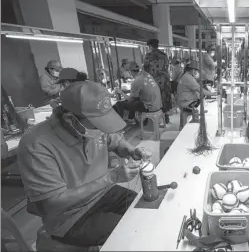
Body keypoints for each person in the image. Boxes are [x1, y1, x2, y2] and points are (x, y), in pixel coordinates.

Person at [17, 81, 152, 247]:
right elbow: (53, 204)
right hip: (71, 217)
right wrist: (111, 177)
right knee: (133, 232)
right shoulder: (36, 144)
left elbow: (115, 142)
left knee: (147, 209)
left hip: (103, 193)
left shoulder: (95, 128)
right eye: (97, 125)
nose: (101, 130)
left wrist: (131, 150)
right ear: (70, 118)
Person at [143, 38, 172, 124]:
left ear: (150, 46)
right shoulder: (164, 55)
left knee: (155, 98)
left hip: (154, 81)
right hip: (165, 80)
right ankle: (166, 117)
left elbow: (145, 70)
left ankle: (153, 119)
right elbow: (167, 66)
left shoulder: (148, 56)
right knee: (165, 98)